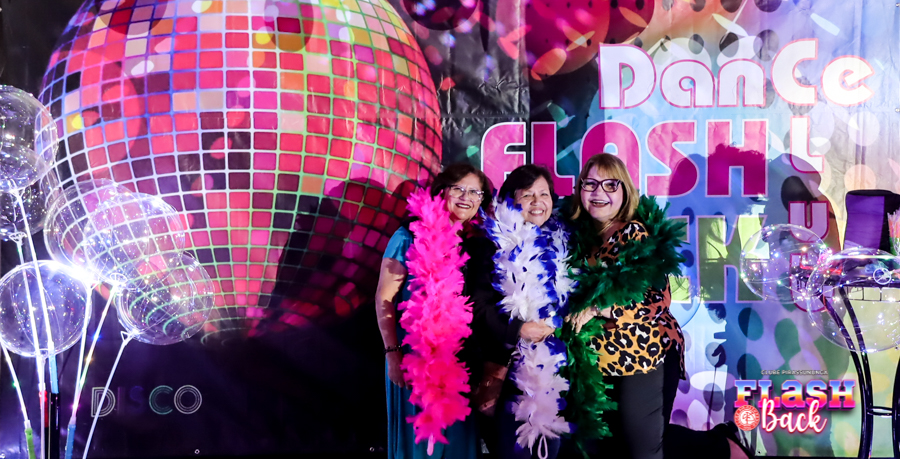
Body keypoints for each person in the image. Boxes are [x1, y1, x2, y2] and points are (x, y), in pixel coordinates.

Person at [562, 153, 753, 459]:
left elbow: (653, 301)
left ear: (625, 192)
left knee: (644, 451)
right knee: (612, 445)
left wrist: (596, 308)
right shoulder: (579, 239)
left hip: (642, 354)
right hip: (596, 361)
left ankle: (723, 447)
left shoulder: (634, 235)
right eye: (591, 184)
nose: (599, 192)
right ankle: (721, 442)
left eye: (610, 185)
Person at [374, 163, 494, 459]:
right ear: (442, 191)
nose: (466, 197)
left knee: (459, 446)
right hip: (415, 361)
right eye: (459, 189)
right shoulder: (408, 236)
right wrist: (392, 353)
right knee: (420, 445)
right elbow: (384, 298)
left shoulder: (476, 244)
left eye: (475, 192)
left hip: (461, 363)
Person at [474, 164, 572, 459]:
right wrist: (519, 329)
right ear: (510, 200)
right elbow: (477, 309)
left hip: (555, 372)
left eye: (544, 194)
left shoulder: (561, 244)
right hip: (509, 371)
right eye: (528, 195)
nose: (537, 202)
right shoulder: (489, 245)